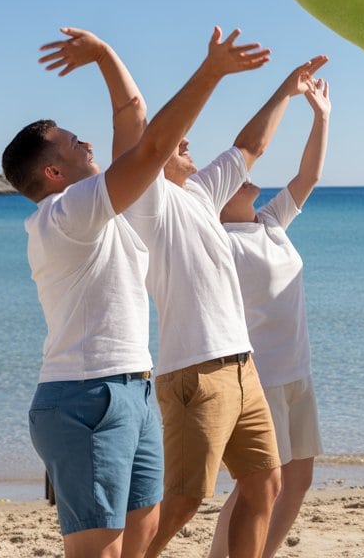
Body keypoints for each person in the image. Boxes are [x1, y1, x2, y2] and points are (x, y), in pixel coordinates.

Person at [2, 26, 269, 558]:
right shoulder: (64, 214)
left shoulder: (107, 208)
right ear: (53, 172)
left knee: (143, 537)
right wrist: (211, 71)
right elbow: (150, 145)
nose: (89, 142)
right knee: (98, 550)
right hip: (84, 397)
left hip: (134, 389)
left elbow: (133, 116)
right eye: (74, 142)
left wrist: (104, 54)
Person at [126, 55, 329, 558]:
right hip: (196, 373)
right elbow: (147, 137)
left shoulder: (201, 194)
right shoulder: (149, 202)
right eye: (178, 141)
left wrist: (288, 88)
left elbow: (251, 145)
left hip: (244, 369)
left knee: (267, 485)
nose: (189, 143)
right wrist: (210, 72)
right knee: (183, 502)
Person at [206, 76, 331, 558]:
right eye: (234, 172)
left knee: (298, 479)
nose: (248, 171)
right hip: (260, 379)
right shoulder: (219, 241)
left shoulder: (270, 220)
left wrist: (321, 116)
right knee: (256, 486)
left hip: (297, 371)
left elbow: (310, 176)